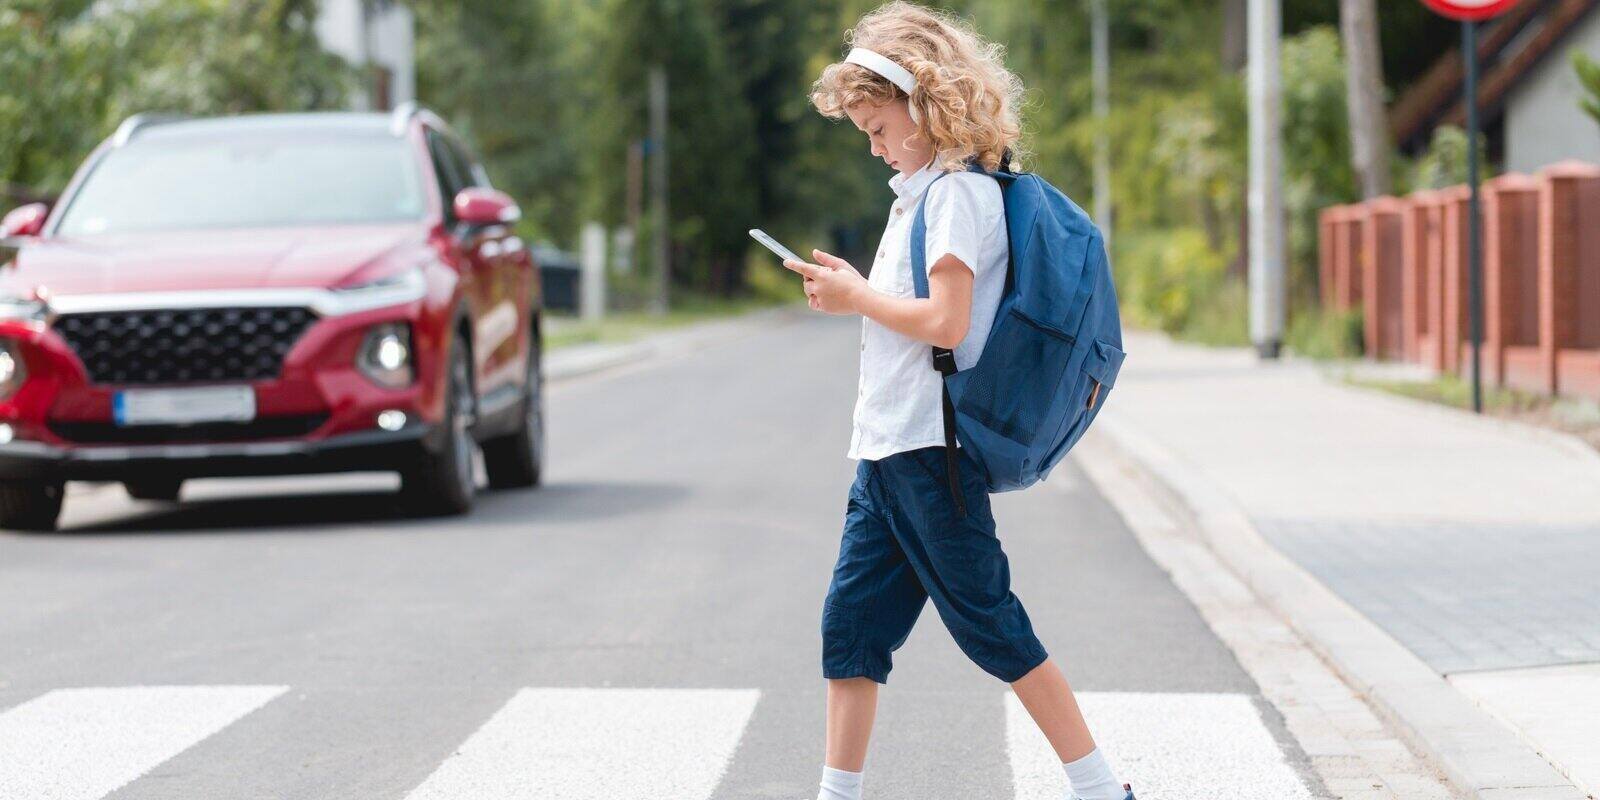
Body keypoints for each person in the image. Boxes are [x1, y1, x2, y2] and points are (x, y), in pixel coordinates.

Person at [781, 4, 1135, 800]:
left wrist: (854, 299)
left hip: (929, 455)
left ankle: (1102, 789)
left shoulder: (957, 197)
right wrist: (860, 291)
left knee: (994, 629)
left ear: (921, 106)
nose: (871, 145)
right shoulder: (921, 194)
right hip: (887, 453)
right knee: (851, 635)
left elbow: (946, 321)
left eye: (876, 125)